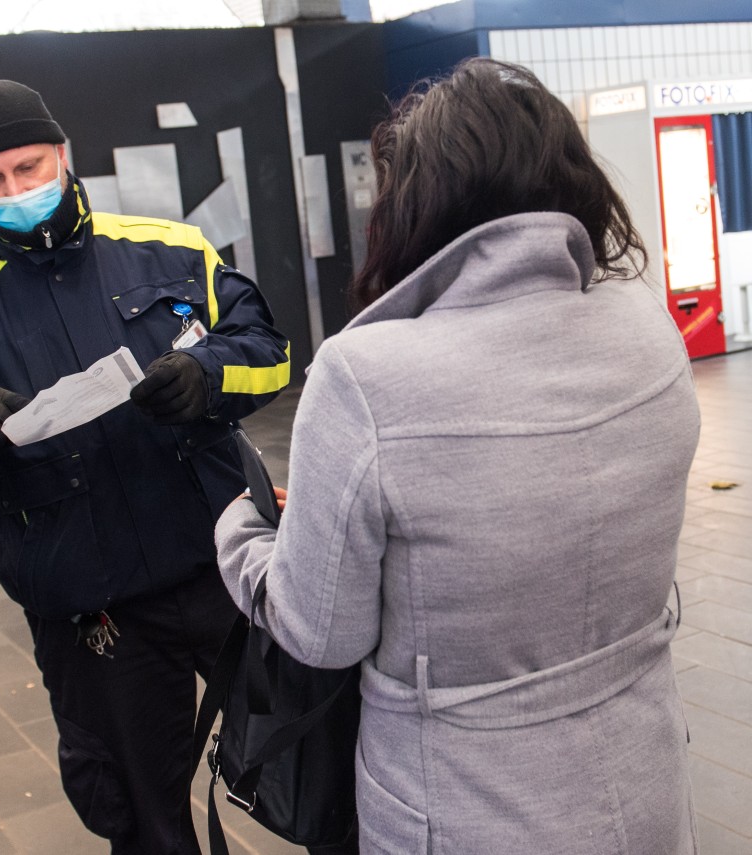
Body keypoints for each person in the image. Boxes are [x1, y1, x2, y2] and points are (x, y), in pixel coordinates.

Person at [215, 58, 699, 855]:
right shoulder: (645, 326)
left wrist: (242, 531)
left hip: (465, 808)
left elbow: (319, 630)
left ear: (415, 202)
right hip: (644, 778)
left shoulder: (364, 377)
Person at [0, 80, 291, 853]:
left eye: (30, 167)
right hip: (97, 623)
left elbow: (270, 354)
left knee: (315, 761)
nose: (17, 191)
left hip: (228, 574)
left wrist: (206, 377)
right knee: (143, 821)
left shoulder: (171, 250)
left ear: (65, 157)